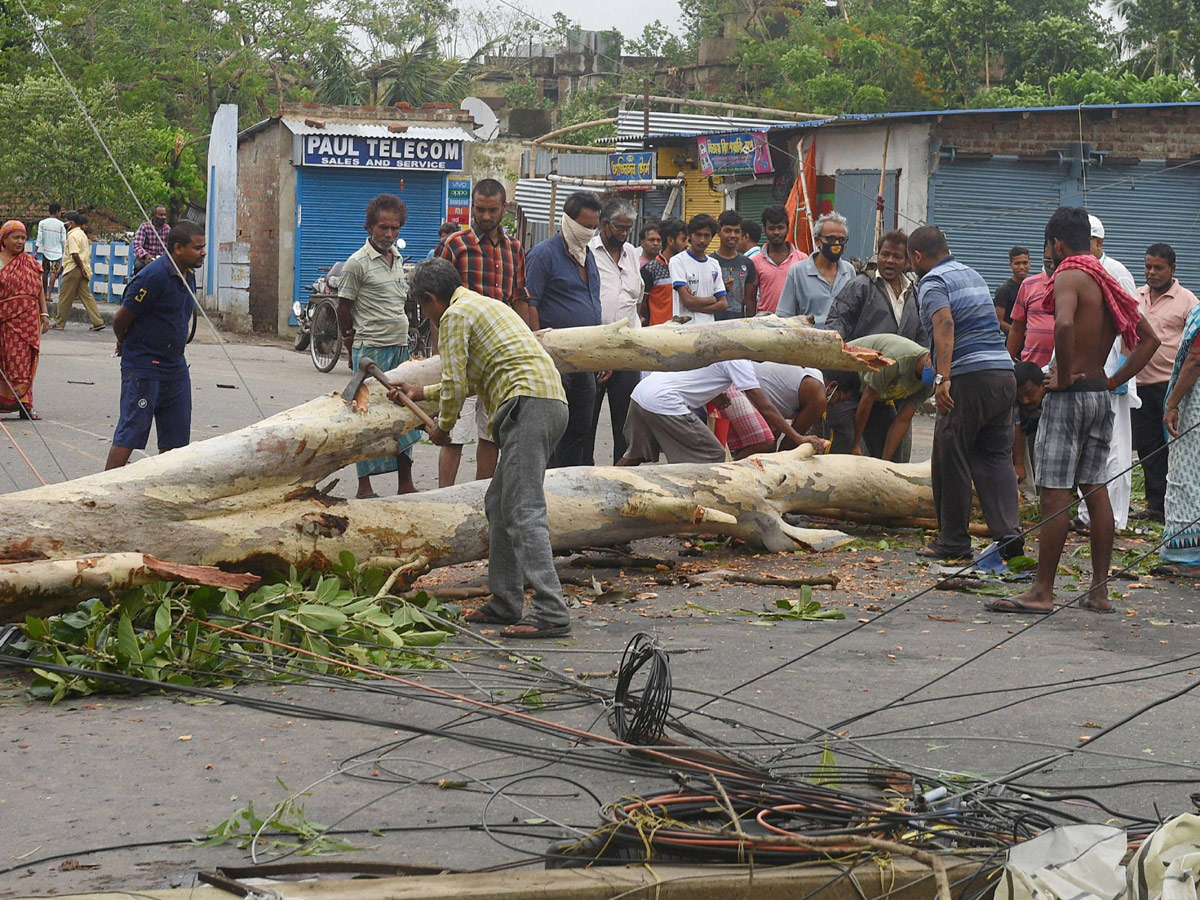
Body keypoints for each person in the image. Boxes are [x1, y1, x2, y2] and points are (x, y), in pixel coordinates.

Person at [391, 259, 571, 639]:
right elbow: (470, 379)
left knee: (524, 509)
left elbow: (456, 384)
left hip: (528, 404)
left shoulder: (455, 316)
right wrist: (420, 393)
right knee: (499, 503)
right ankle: (505, 601)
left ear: (429, 299)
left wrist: (442, 428)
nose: (428, 317)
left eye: (423, 308)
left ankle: (551, 610)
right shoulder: (482, 304)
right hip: (546, 401)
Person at [996, 207, 1159, 615]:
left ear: (1058, 244)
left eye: (1048, 246)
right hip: (1099, 395)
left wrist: (1064, 375)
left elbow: (1064, 325)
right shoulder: (1109, 281)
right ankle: (1099, 592)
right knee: (1095, 488)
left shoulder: (1070, 274)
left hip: (1070, 397)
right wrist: (1112, 381)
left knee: (1055, 496)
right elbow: (1150, 339)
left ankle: (1041, 592)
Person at [908, 225, 1023, 563]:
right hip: (1003, 373)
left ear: (917, 256)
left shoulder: (932, 282)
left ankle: (953, 541)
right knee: (994, 456)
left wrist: (943, 377)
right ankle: (1008, 534)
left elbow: (944, 323)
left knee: (950, 454)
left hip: (970, 376)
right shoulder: (971, 273)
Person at [436, 179, 527, 487]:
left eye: (492, 210)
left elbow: (519, 298)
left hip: (498, 356)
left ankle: (481, 497)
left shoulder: (514, 249)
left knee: (491, 432)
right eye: (480, 209)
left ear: (504, 208)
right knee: (454, 432)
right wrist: (441, 349)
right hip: (461, 350)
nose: (485, 216)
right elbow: (437, 299)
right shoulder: (456, 245)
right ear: (472, 207)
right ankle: (443, 499)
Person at [337, 193, 420, 498]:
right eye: (383, 228)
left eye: (394, 228)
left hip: (399, 348)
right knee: (367, 418)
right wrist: (349, 342)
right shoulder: (356, 264)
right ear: (369, 227)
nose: (389, 234)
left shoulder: (397, 259)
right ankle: (364, 487)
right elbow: (344, 306)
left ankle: (405, 483)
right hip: (371, 351)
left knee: (404, 415)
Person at [104, 222, 206, 469]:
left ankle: (167, 490)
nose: (203, 252)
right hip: (145, 366)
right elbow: (121, 318)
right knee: (131, 431)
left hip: (175, 366)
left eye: (203, 247)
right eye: (197, 248)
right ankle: (103, 488)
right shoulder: (154, 276)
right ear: (178, 248)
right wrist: (123, 340)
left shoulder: (188, 275)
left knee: (176, 438)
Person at [825, 230, 924, 460]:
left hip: (893, 388)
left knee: (893, 454)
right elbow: (836, 325)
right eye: (884, 254)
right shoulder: (860, 286)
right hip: (854, 386)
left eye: (897, 256)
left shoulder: (914, 293)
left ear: (907, 261)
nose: (890, 260)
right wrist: (837, 374)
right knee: (845, 454)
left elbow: (922, 337)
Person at [523, 190, 603, 467]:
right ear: (568, 221)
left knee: (580, 425)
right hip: (554, 357)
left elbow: (593, 302)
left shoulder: (588, 256)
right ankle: (547, 481)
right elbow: (530, 301)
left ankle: (569, 479)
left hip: (585, 358)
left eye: (594, 227)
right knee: (553, 425)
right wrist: (538, 349)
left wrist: (602, 352)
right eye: (585, 226)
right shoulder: (543, 254)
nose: (590, 232)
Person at [618, 360, 824, 465]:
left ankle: (594, 492)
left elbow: (699, 374)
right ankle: (692, 524)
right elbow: (765, 407)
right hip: (665, 402)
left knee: (633, 455)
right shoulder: (738, 359)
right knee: (712, 455)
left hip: (642, 392)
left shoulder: (719, 349)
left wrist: (714, 395)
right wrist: (798, 437)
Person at [1076, 215, 1140, 534]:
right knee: (1088, 447)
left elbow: (1134, 325)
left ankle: (1114, 518)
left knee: (1115, 449)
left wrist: (1121, 372)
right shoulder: (1078, 271)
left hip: (1114, 373)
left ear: (1098, 243)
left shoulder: (1117, 273)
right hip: (1087, 374)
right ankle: (1088, 516)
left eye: (1085, 241)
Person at [1130, 242, 1198, 522]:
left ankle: (1177, 506)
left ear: (1172, 268)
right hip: (1142, 384)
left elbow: (1194, 349)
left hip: (1172, 388)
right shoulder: (1136, 297)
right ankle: (1156, 506)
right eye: (1148, 266)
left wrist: (1177, 398)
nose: (1152, 272)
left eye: (1159, 267)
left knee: (1176, 448)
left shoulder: (1188, 301)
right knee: (1148, 448)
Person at [585, 197, 643, 464]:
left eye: (627, 229)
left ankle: (622, 480)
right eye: (619, 228)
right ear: (604, 225)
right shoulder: (588, 251)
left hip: (628, 350)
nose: (623, 234)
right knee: (586, 421)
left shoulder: (632, 253)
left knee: (626, 423)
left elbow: (636, 298)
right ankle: (583, 476)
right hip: (594, 348)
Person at [1158, 301, 1200, 575]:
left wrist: (1172, 404)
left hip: (1195, 407)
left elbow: (1195, 359)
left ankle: (1189, 555)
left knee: (1189, 476)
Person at [846, 333, 933, 463]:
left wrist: (885, 464)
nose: (939, 376)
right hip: (846, 383)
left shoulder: (929, 383)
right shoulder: (896, 360)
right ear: (930, 358)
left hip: (877, 397)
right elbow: (867, 398)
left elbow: (903, 420)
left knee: (894, 458)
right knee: (844, 445)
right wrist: (855, 444)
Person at [0, 220, 50, 419]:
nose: (20, 241)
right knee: (6, 361)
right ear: (4, 239)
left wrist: (44, 314)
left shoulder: (29, 263)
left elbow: (38, 291)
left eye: (23, 238)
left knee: (24, 362)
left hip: (28, 320)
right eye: (16, 237)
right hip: (4, 317)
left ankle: (25, 404)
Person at [723, 362, 827, 458]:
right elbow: (789, 442)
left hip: (747, 390)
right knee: (766, 443)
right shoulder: (819, 398)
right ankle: (729, 472)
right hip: (732, 386)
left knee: (771, 441)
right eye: (840, 398)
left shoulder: (814, 373)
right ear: (831, 387)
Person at [777, 211, 855, 326]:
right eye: (831, 239)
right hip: (809, 340)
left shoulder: (849, 271)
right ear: (817, 241)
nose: (837, 244)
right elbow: (784, 317)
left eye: (842, 240)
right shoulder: (798, 272)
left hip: (843, 340)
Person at [669, 214, 726, 324]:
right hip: (685, 328)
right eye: (698, 235)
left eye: (706, 235)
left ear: (712, 237)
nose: (702, 240)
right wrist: (712, 299)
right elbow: (688, 301)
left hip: (708, 329)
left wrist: (697, 307)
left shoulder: (714, 264)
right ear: (690, 235)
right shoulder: (678, 261)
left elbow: (723, 304)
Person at [54, 211, 105, 331]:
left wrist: (79, 268)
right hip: (82, 268)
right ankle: (98, 321)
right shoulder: (82, 234)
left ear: (71, 223)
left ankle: (59, 323)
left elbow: (74, 254)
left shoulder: (72, 236)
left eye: (66, 221)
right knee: (86, 296)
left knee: (65, 297)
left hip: (74, 269)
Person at [753, 205, 807, 315]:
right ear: (765, 230)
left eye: (780, 227)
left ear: (788, 228)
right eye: (772, 228)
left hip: (793, 322)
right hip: (765, 322)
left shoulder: (802, 259)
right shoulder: (755, 261)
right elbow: (750, 298)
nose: (776, 232)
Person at [1006, 248, 1054, 367]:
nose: (1052, 264)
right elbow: (1016, 328)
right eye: (1048, 259)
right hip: (1032, 367)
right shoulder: (1028, 285)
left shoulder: (1078, 284)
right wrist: (1006, 363)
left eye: (1025, 263)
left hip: (1066, 371)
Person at [640, 217, 685, 326]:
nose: (687, 244)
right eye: (683, 240)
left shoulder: (687, 267)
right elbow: (642, 304)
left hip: (684, 330)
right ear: (670, 240)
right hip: (659, 332)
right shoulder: (651, 269)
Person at [713, 211, 758, 319]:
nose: (733, 235)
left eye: (737, 231)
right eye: (728, 231)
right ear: (718, 232)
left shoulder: (747, 264)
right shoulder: (710, 262)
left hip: (739, 327)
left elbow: (750, 301)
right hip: (712, 324)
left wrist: (750, 325)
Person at [993, 246, 1030, 336]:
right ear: (1011, 265)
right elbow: (999, 322)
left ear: (1030, 264)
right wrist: (1022, 333)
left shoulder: (1032, 287)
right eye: (1017, 263)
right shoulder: (1004, 290)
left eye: (1025, 263)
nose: (1021, 267)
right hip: (1014, 344)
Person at [34, 203, 66, 298]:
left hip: (46, 251)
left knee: (45, 272)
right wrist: (65, 252)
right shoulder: (61, 225)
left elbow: (39, 237)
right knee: (54, 273)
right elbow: (63, 240)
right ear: (57, 212)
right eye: (60, 212)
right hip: (57, 253)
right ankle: (49, 294)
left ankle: (43, 293)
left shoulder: (42, 223)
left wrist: (36, 250)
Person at [132, 205, 171, 274]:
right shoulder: (145, 227)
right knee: (138, 266)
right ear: (154, 216)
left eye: (165, 215)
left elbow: (170, 247)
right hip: (146, 259)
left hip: (161, 260)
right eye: (161, 215)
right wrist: (146, 255)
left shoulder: (167, 229)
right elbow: (137, 245)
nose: (163, 217)